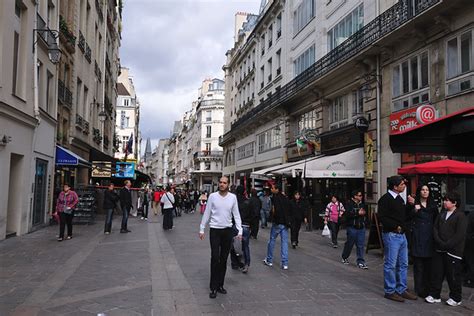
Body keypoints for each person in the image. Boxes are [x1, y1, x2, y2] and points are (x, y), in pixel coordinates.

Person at [199, 176, 242, 299]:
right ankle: (213, 287)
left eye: (224, 183)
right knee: (215, 258)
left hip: (227, 231)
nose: (222, 184)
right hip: (215, 231)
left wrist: (240, 230)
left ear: (228, 184)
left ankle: (220, 285)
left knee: (223, 259)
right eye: (221, 182)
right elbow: (207, 213)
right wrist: (202, 228)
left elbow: (236, 214)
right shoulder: (212, 196)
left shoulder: (233, 198)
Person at [378, 175, 417, 302]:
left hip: (402, 235)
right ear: (395, 186)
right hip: (392, 234)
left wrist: (411, 206)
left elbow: (404, 215)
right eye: (401, 184)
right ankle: (390, 290)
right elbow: (382, 217)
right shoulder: (385, 199)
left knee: (403, 263)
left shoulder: (400, 199)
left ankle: (401, 288)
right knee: (391, 264)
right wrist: (396, 226)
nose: (404, 186)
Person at [425, 192, 468, 307]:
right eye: (444, 200)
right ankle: (435, 295)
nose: (444, 202)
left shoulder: (461, 216)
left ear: (454, 203)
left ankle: (456, 297)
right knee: (437, 273)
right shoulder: (442, 214)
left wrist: (447, 244)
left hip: (453, 252)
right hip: (439, 250)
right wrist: (439, 241)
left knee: (453, 276)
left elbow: (460, 234)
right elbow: (435, 228)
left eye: (447, 200)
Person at [410, 184, 438, 298]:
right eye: (423, 190)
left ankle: (427, 288)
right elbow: (408, 218)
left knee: (428, 266)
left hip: (429, 238)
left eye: (427, 190)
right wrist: (414, 210)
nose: (425, 192)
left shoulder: (433, 205)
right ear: (419, 191)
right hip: (418, 237)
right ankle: (419, 289)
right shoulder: (414, 204)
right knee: (418, 265)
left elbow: (437, 221)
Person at [263, 184, 290, 270]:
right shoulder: (285, 198)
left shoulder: (274, 198)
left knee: (272, 240)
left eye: (272, 188)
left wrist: (273, 218)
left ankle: (269, 260)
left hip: (277, 223)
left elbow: (275, 210)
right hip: (285, 223)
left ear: (277, 189)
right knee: (284, 242)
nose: (271, 189)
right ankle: (285, 263)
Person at [341, 190, 368, 269]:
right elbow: (347, 215)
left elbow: (364, 214)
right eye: (359, 195)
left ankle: (360, 261)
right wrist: (357, 213)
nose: (361, 197)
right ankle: (345, 256)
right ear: (355, 196)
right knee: (350, 243)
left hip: (361, 227)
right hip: (352, 227)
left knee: (360, 245)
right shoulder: (349, 204)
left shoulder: (362, 204)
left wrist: (364, 219)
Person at [235, 185, 252, 273]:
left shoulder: (234, 201)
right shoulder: (247, 202)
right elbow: (252, 215)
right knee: (246, 246)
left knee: (236, 245)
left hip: (237, 226)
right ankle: (246, 263)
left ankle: (237, 262)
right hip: (246, 225)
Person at [463, 210, 474, 288]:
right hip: (470, 240)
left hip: (469, 240)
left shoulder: (471, 214)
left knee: (470, 261)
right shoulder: (471, 214)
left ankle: (470, 279)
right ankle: (470, 279)